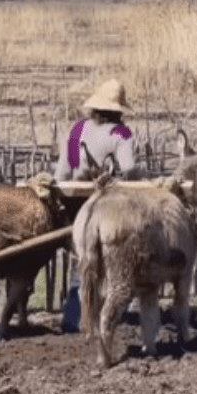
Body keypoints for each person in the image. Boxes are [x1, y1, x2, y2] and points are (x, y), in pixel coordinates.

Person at [53, 78, 140, 333]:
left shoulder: (77, 129)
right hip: (109, 205)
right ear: (118, 110)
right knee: (120, 259)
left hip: (77, 205)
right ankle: (114, 315)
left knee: (83, 260)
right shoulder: (121, 133)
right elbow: (129, 168)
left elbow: (62, 172)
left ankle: (74, 319)